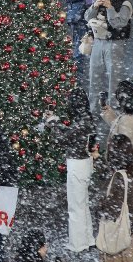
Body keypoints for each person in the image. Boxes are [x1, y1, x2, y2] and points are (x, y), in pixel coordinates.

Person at [39, 87, 96, 252]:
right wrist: (55, 122)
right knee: (83, 205)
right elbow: (71, 135)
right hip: (84, 164)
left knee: (76, 207)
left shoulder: (83, 122)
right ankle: (88, 240)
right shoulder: (86, 119)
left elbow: (63, 140)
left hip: (77, 165)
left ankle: (78, 244)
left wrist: (53, 122)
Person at [84, 0, 132, 110]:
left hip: (115, 43)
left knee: (114, 77)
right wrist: (94, 6)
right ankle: (92, 109)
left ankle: (113, 110)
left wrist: (110, 7)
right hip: (98, 42)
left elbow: (119, 23)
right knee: (94, 77)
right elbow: (87, 17)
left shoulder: (124, 4)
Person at [94, 133, 133, 262]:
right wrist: (98, 159)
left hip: (117, 236)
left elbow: (112, 209)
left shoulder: (119, 178)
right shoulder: (129, 173)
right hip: (129, 233)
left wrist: (99, 206)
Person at [101, 80, 133, 183]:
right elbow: (116, 124)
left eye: (119, 98)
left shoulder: (129, 119)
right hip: (127, 172)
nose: (118, 101)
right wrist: (105, 107)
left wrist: (109, 167)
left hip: (126, 173)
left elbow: (123, 149)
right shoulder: (128, 116)